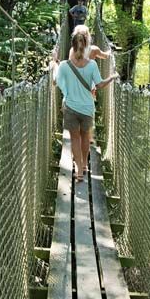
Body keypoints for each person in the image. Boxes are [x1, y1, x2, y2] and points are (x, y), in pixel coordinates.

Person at [52, 24, 117, 181]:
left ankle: (79, 170)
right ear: (87, 42)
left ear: (72, 45)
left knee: (74, 138)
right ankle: (85, 166)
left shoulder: (65, 65)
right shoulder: (92, 64)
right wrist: (113, 77)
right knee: (85, 137)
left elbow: (56, 82)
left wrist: (55, 64)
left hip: (71, 107)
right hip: (88, 108)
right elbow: (100, 84)